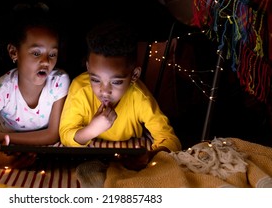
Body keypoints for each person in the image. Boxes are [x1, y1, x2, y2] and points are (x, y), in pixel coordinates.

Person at [59, 20, 181, 170]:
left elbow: (170, 139)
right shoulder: (80, 89)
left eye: (116, 82)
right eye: (95, 79)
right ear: (88, 68)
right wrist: (92, 130)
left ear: (134, 75)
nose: (104, 91)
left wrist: (150, 156)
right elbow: (65, 134)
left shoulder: (139, 97)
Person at [0, 3, 70, 169]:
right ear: (14, 52)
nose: (46, 62)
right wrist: (1, 161)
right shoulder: (3, 89)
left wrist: (3, 137)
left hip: (5, 137)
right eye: (36, 53)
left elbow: (52, 134)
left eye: (52, 54)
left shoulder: (59, 81)